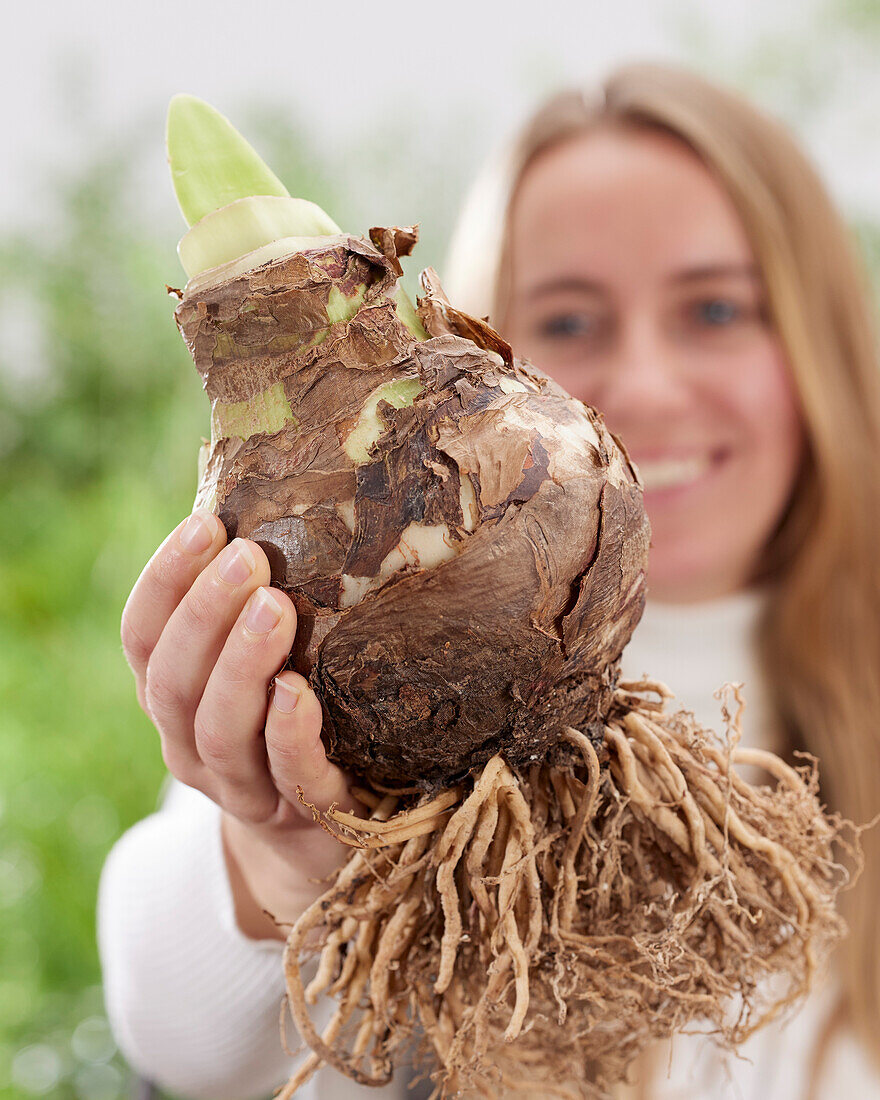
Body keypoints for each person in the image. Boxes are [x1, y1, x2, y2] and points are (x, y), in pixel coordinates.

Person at [98, 62, 880, 1099]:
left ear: (819, 341)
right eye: (566, 320)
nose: (645, 380)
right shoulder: (336, 694)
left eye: (715, 310)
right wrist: (281, 860)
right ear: (476, 343)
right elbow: (184, 1037)